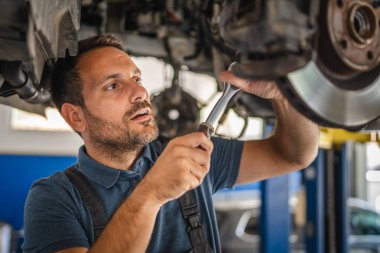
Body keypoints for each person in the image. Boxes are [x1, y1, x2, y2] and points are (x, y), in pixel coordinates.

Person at [23, 34, 319, 253]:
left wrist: (286, 95)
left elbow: (294, 155)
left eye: (136, 78)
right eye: (113, 85)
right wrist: (152, 192)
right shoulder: (54, 199)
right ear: (75, 116)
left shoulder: (190, 155)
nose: (139, 92)